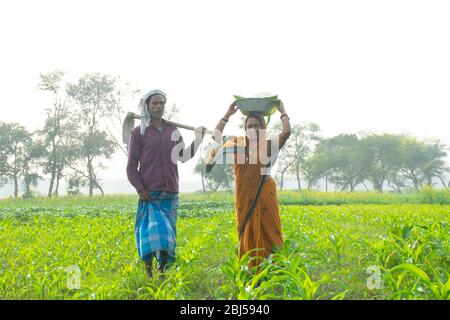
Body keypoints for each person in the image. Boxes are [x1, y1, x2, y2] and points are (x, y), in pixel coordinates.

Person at [126, 89, 206, 278]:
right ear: (147, 106)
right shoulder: (139, 133)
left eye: (161, 103)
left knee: (167, 235)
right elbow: (130, 166)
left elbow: (184, 156)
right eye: (154, 103)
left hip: (170, 193)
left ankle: (162, 270)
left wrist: (198, 139)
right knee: (150, 234)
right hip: (149, 194)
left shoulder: (173, 131)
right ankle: (148, 271)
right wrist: (140, 189)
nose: (159, 106)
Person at [206, 100, 291, 268]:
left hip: (264, 195)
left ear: (263, 128)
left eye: (256, 125)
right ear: (245, 129)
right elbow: (216, 137)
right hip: (244, 196)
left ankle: (273, 269)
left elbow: (286, 132)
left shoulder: (269, 145)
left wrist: (283, 111)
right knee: (247, 231)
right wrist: (227, 115)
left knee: (269, 230)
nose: (252, 129)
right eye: (249, 126)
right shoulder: (237, 143)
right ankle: (251, 269)